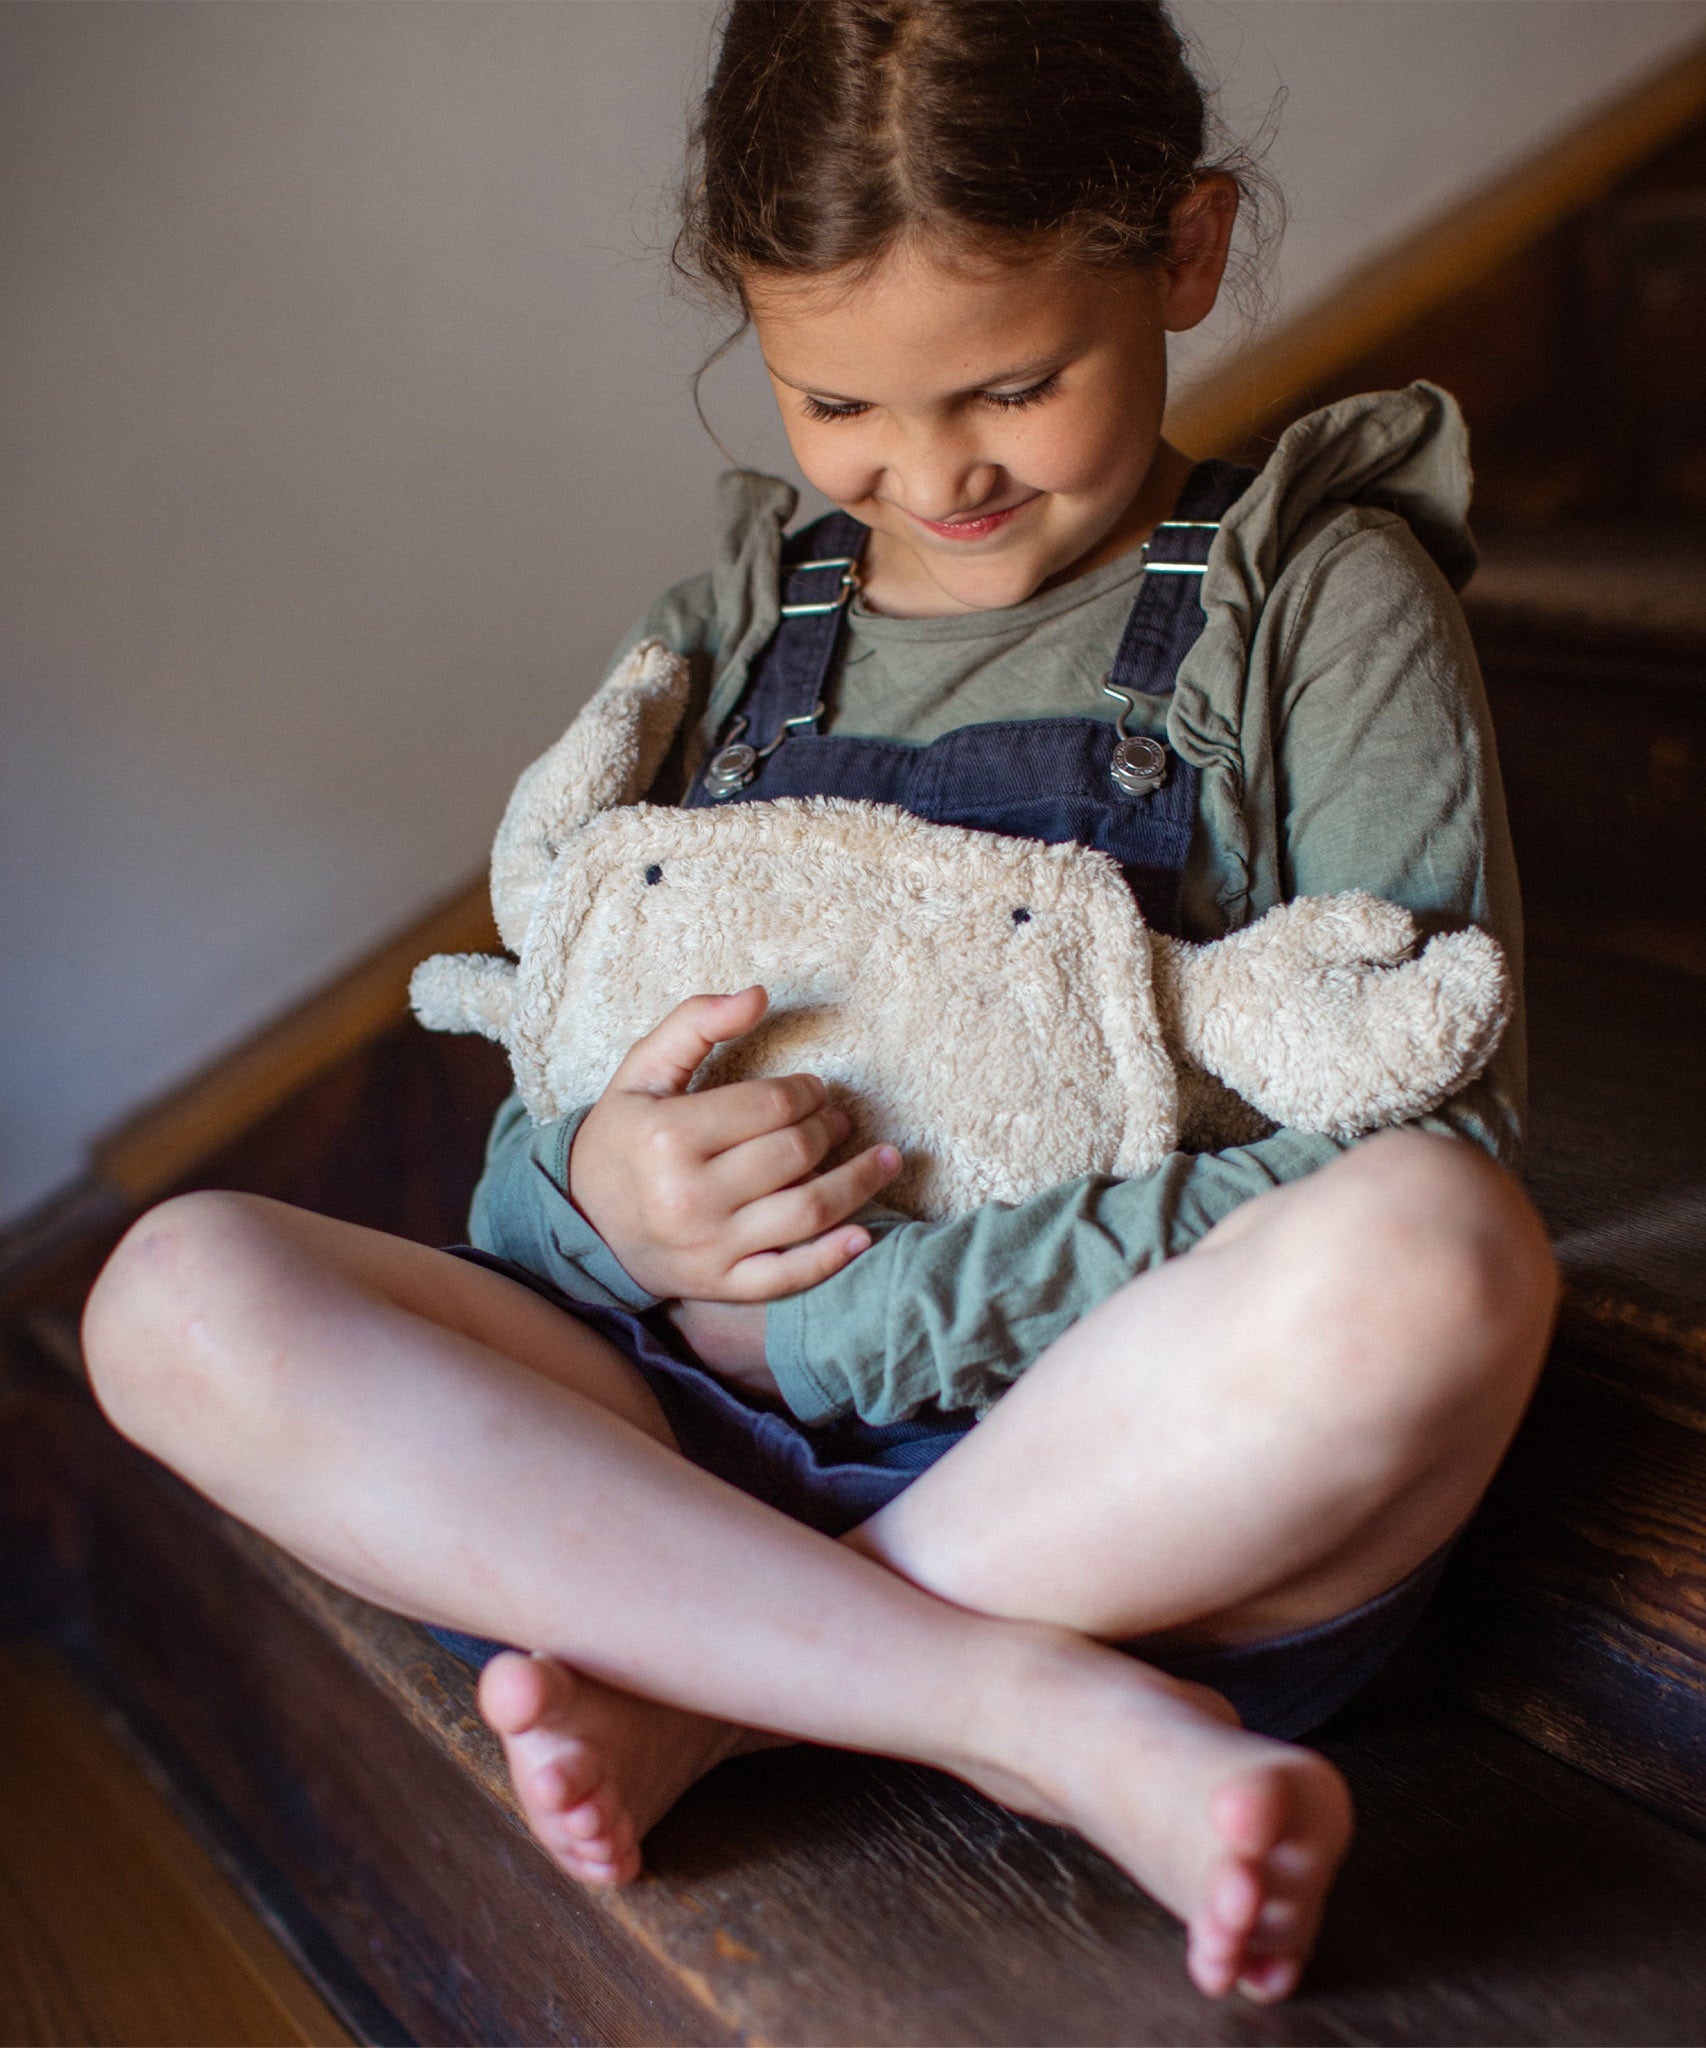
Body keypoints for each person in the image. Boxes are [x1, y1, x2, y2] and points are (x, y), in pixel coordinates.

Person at [79, 0, 1560, 2006]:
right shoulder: (728, 633)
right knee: (171, 1292)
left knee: (1443, 1257)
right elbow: (555, 1092)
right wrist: (598, 1190)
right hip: (672, 1446)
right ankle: (998, 1706)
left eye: (1013, 386)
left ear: (1186, 253)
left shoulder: (1313, 595)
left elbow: (1423, 1119)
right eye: (838, 406)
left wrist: (843, 1328)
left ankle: (732, 1688)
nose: (930, 471)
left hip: (1123, 1480)